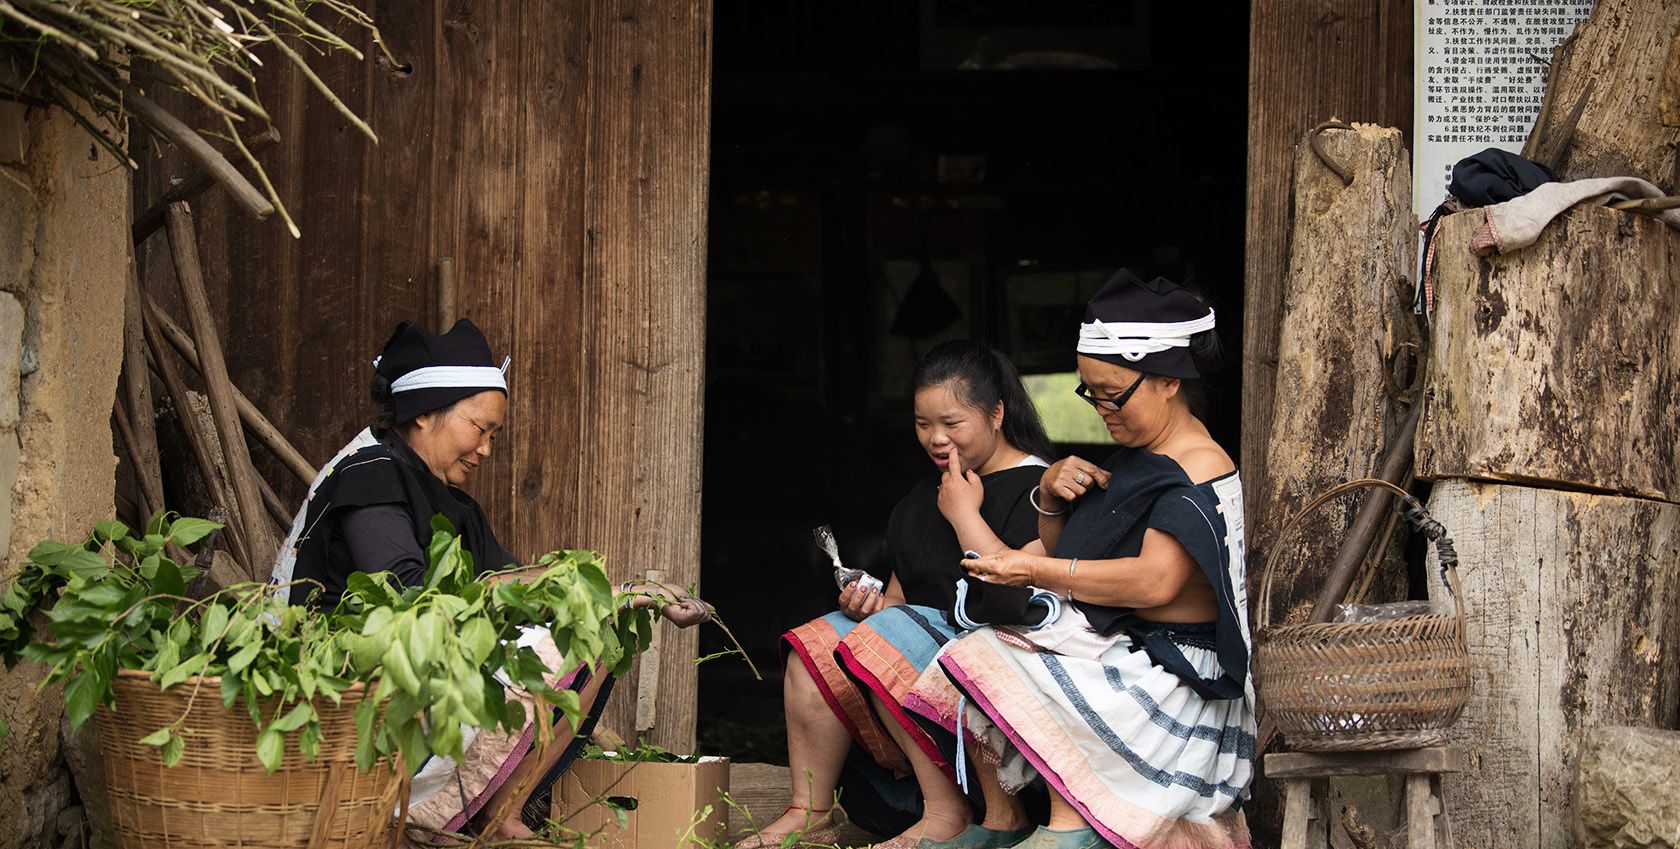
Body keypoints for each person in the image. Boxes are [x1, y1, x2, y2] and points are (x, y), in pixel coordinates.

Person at [268, 319, 708, 839]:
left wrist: (621, 594)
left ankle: (502, 814)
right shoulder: (370, 473)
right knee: (553, 644)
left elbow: (512, 586)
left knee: (599, 631)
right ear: (425, 412)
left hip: (411, 678)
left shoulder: (457, 507)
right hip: (337, 684)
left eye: (494, 435)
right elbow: (411, 599)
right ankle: (427, 813)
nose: (486, 450)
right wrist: (580, 589)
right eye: (480, 428)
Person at [905, 269, 1254, 849]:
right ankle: (1001, 819)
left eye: (1113, 394)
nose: (1100, 409)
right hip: (1133, 648)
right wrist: (1048, 496)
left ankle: (1070, 829)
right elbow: (1075, 550)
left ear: (1168, 381)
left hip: (1177, 678)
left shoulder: (1197, 465)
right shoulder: (1143, 452)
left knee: (1008, 652)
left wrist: (1034, 568)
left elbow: (1152, 583)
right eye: (1089, 392)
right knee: (981, 648)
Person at [747, 340, 1056, 849]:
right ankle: (811, 811)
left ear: (997, 413)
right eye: (922, 424)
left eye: (951, 424)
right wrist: (865, 607)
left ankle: (946, 813)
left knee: (885, 636)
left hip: (1004, 705)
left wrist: (964, 515)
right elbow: (900, 605)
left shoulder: (1041, 491)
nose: (936, 439)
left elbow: (1022, 603)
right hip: (916, 698)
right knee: (816, 644)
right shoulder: (919, 501)